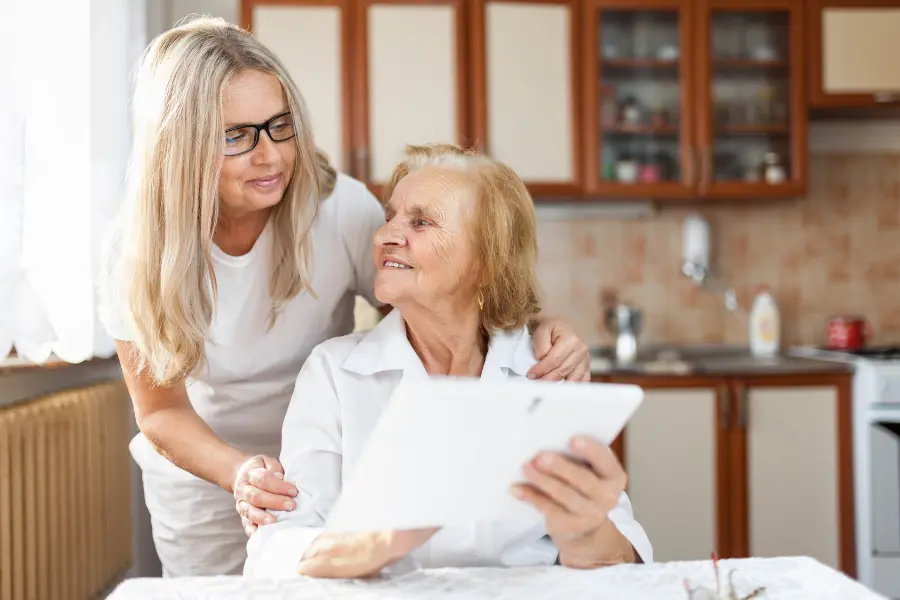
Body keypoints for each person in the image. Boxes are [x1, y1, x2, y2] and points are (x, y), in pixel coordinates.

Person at [98, 17, 593, 577]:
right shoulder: (137, 251)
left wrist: (538, 327)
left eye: (280, 125)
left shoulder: (338, 211)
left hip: (328, 450)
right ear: (179, 147)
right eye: (236, 136)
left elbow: (439, 296)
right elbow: (160, 410)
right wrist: (240, 473)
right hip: (209, 469)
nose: (271, 156)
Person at [244, 144, 652, 578]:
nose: (385, 236)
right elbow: (279, 543)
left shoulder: (548, 369)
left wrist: (585, 534)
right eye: (390, 217)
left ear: (486, 262)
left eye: (421, 221)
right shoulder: (334, 373)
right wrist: (375, 545)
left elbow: (623, 555)